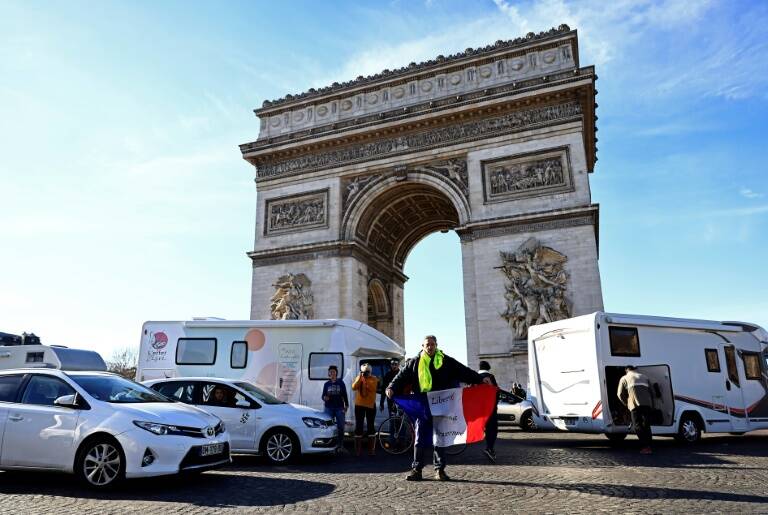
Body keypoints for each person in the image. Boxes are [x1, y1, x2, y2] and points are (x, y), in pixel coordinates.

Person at [386, 335, 493, 481]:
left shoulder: (446, 360)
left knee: (440, 437)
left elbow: (463, 371)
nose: (430, 347)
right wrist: (392, 386)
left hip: (441, 405)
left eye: (432, 344)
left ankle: (440, 470)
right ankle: (417, 469)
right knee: (419, 438)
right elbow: (401, 376)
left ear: (436, 345)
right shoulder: (414, 362)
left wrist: (480, 379)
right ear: (422, 347)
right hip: (423, 405)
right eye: (427, 344)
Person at [617, 365, 653, 454]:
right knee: (646, 425)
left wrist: (626, 403)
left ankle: (645, 447)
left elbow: (620, 394)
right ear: (634, 370)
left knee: (638, 426)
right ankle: (649, 446)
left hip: (634, 405)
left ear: (626, 370)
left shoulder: (624, 378)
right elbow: (651, 392)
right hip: (647, 405)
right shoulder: (644, 377)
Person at [351, 363, 378, 456]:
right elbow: (354, 387)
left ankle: (372, 450)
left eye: (367, 372)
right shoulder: (359, 377)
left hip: (370, 405)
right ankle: (358, 451)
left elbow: (373, 388)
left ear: (370, 371)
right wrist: (359, 377)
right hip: (359, 405)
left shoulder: (374, 379)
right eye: (364, 372)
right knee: (359, 426)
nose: (366, 373)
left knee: (371, 426)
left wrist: (366, 379)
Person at [322, 365, 349, 453]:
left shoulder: (341, 383)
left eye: (334, 372)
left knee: (341, 427)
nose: (332, 373)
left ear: (336, 373)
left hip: (339, 407)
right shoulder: (326, 384)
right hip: (329, 408)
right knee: (328, 427)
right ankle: (329, 447)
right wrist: (325, 398)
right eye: (331, 372)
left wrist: (346, 405)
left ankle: (340, 446)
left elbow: (344, 394)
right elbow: (323, 396)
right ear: (328, 374)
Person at [477, 360, 498, 462]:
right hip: (489, 407)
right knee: (492, 428)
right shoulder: (490, 377)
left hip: (478, 408)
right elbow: (495, 391)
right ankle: (489, 448)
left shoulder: (474, 377)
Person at [379, 358, 403, 449]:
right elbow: (383, 390)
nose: (394, 365)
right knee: (392, 423)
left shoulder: (402, 374)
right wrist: (381, 403)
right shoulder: (387, 375)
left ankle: (401, 444)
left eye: (395, 364)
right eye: (392, 364)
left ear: (398, 365)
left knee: (401, 423)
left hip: (401, 402)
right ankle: (392, 444)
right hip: (391, 403)